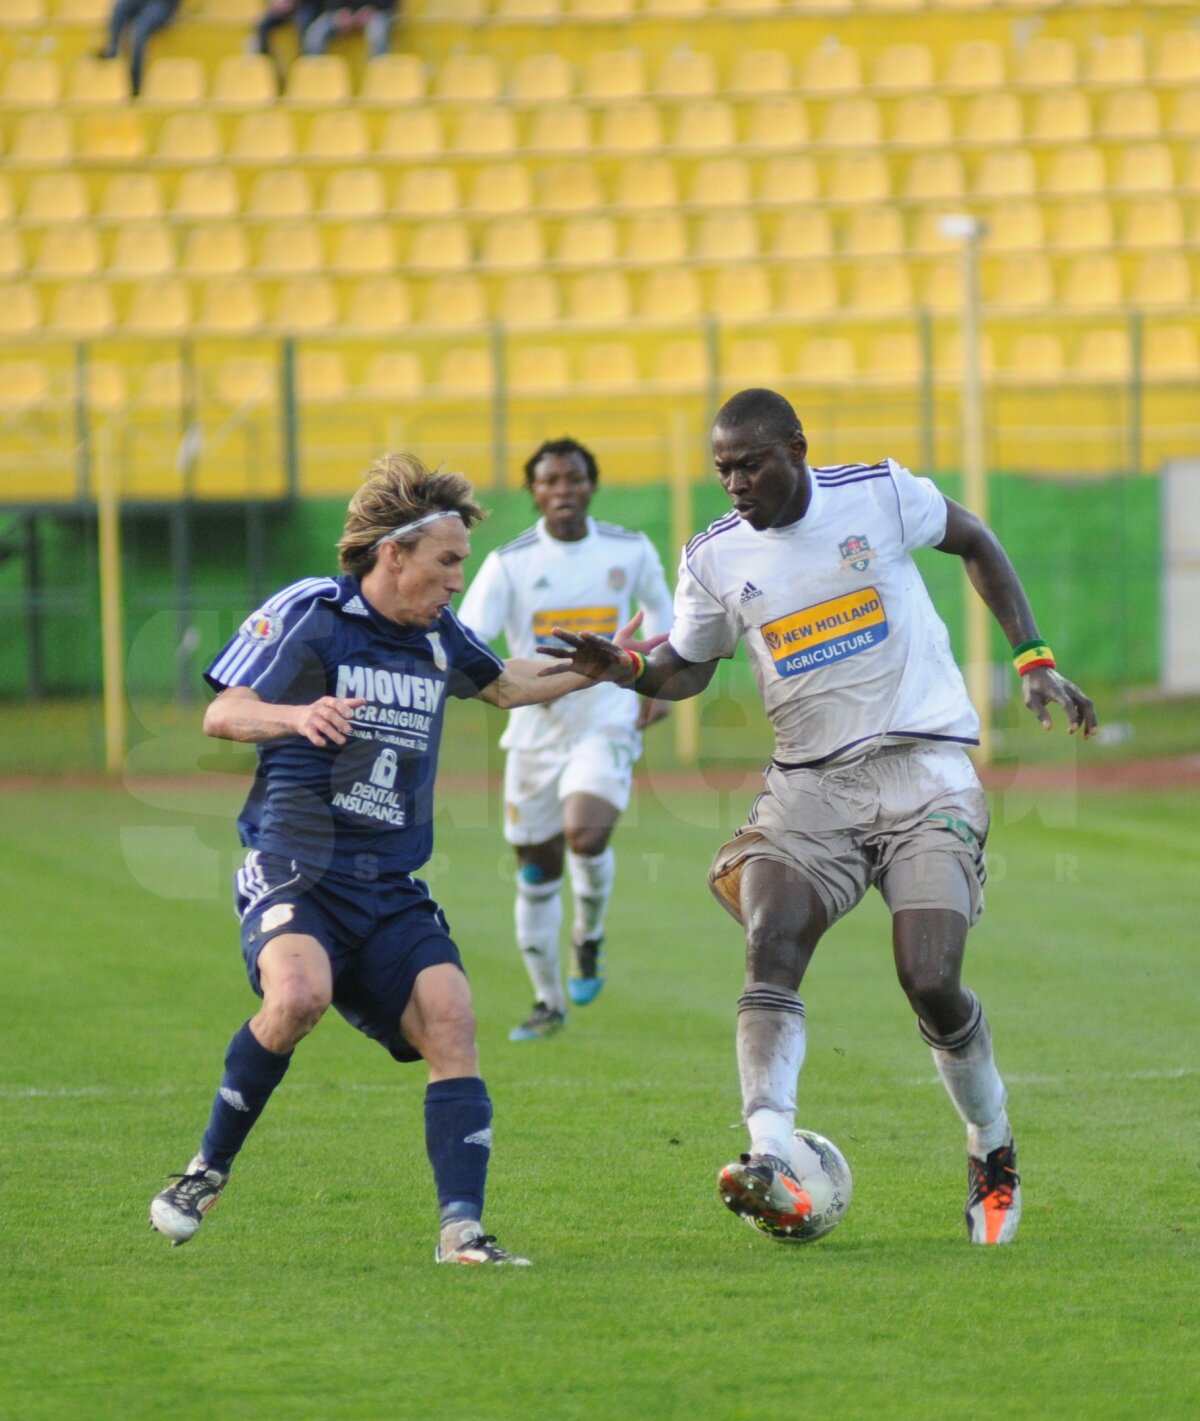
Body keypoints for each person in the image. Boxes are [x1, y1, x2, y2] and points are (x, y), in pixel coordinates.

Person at [539, 389, 1097, 1246]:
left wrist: (1034, 657)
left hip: (926, 775)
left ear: (796, 449)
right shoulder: (714, 557)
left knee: (929, 978)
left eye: (750, 464)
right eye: (722, 469)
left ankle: (991, 1145)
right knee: (772, 940)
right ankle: (769, 1153)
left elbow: (976, 538)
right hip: (809, 790)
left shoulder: (879, 494)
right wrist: (629, 668)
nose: (735, 483)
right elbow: (688, 663)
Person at [148, 453, 631, 1266]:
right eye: (447, 562)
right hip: (297, 865)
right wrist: (298, 716)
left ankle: (461, 1234)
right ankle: (205, 1170)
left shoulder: (437, 634)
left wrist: (593, 670)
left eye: (463, 564)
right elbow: (224, 712)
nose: (457, 580)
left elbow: (504, 683)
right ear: (394, 554)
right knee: (299, 995)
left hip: (389, 882)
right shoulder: (314, 611)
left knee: (452, 1019)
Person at [457, 438, 674, 1041]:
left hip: (605, 717)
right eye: (550, 481)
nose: (563, 490)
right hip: (534, 730)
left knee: (586, 832)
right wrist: (502, 683)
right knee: (536, 871)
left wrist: (656, 687)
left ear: (591, 484)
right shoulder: (510, 562)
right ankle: (547, 1001)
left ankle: (588, 935)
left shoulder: (629, 549)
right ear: (534, 491)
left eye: (573, 478)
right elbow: (470, 638)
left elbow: (664, 617)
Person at [97, 0, 180, 96]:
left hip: (162, 4)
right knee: (120, 7)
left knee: (138, 32)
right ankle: (113, 48)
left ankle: (136, 87)